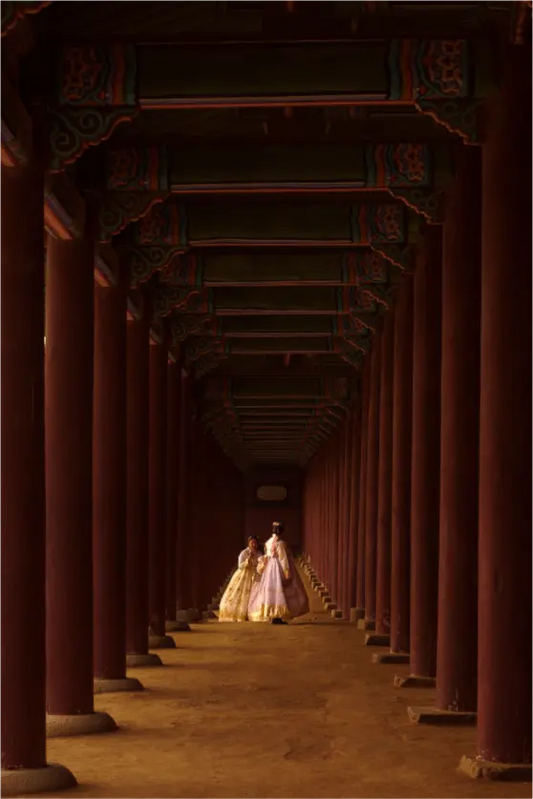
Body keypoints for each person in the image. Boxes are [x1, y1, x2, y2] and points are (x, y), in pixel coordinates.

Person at [248, 522, 309, 624]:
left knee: (270, 591)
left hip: (269, 569)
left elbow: (267, 555)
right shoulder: (280, 543)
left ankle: (272, 615)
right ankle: (278, 615)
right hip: (277, 568)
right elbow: (283, 559)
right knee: (281, 590)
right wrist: (286, 571)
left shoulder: (269, 542)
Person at [218, 536, 262, 622]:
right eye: (252, 543)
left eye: (255, 543)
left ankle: (252, 612)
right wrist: (247, 561)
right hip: (244, 575)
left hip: (255, 575)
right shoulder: (244, 553)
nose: (254, 545)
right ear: (248, 543)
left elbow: (261, 565)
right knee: (240, 594)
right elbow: (240, 566)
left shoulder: (259, 554)